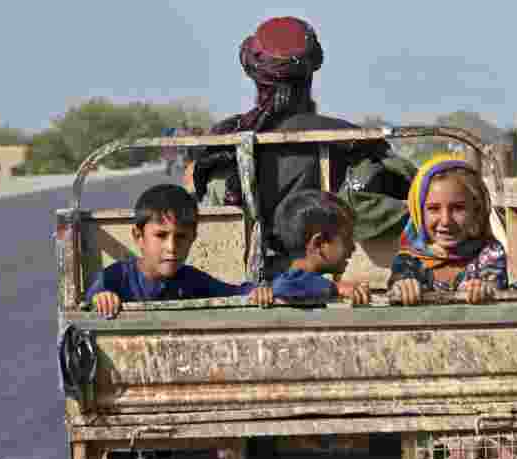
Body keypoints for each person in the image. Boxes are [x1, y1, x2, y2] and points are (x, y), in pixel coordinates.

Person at [192, 16, 412, 278]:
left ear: (255, 74)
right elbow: (412, 194)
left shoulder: (225, 143)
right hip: (346, 282)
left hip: (246, 285)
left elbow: (214, 221)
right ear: (312, 69)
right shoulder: (356, 141)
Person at [85, 183, 271, 318]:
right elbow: (91, 300)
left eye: (181, 237)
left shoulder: (192, 280)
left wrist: (258, 291)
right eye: (160, 235)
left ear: (193, 238)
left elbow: (235, 292)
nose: (172, 248)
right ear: (138, 236)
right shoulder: (115, 277)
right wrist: (102, 299)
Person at [387, 154, 509, 306]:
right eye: (433, 209)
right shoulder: (409, 260)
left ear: (476, 211)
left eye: (458, 208)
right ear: (419, 213)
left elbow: (494, 286)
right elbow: (397, 285)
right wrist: (404, 287)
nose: (445, 221)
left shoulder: (490, 253)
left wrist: (484, 290)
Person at [269, 189, 371, 304]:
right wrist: (335, 288)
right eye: (347, 239)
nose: (353, 247)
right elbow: (285, 286)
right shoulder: (289, 281)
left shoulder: (312, 285)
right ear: (320, 243)